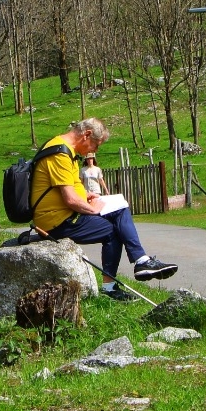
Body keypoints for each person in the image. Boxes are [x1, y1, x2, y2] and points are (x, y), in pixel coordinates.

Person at [30, 117, 177, 300]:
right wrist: (92, 209)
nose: (95, 151)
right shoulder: (60, 154)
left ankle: (136, 265)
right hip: (56, 221)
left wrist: (87, 195)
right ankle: (131, 269)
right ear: (87, 135)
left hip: (61, 215)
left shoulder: (66, 150)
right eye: (96, 145)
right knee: (114, 229)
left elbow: (70, 186)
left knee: (119, 209)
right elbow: (70, 199)